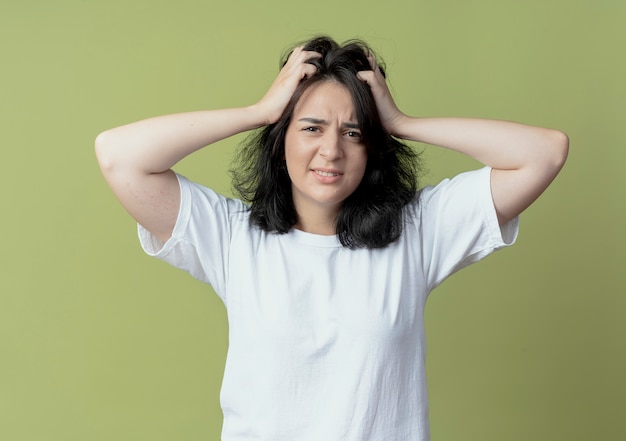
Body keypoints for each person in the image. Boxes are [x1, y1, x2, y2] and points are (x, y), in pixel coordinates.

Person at [95, 36, 568, 441]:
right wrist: (258, 111)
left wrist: (401, 123)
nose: (331, 150)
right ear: (281, 141)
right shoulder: (232, 237)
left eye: (353, 132)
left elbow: (544, 153)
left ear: (371, 147)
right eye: (311, 127)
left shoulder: (418, 231)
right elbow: (119, 155)